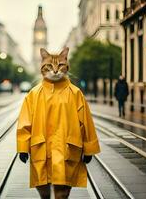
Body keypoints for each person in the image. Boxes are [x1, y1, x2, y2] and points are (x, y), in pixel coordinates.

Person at [17, 47, 100, 199]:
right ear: (42, 65)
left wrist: (89, 149)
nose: (55, 70)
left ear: (67, 64)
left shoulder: (75, 93)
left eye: (60, 65)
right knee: (43, 190)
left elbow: (86, 123)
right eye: (49, 66)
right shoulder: (33, 94)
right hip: (41, 150)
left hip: (66, 150)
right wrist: (22, 147)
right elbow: (24, 123)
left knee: (62, 193)